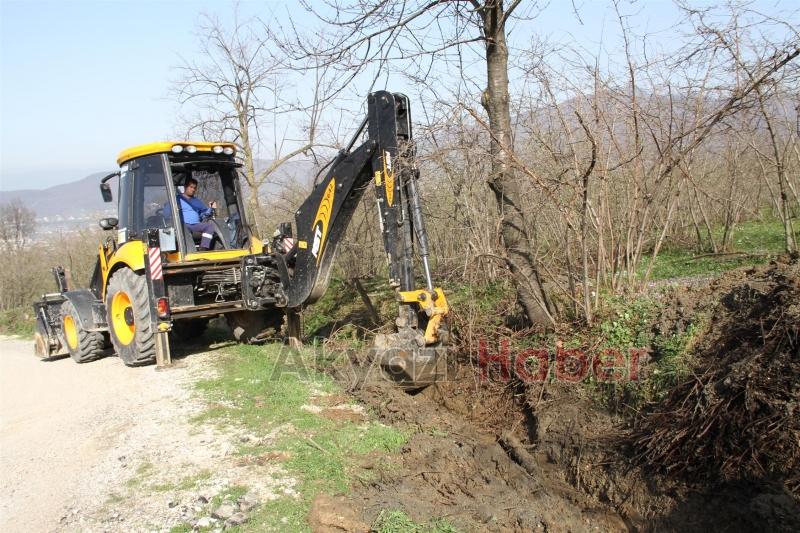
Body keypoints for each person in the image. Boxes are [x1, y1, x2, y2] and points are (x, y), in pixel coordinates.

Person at [178, 177, 218, 251]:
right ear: (185, 187)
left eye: (195, 188)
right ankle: (188, 250)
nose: (193, 190)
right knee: (184, 230)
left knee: (210, 227)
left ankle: (203, 248)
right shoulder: (177, 199)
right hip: (183, 225)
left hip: (196, 225)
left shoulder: (197, 201)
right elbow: (168, 212)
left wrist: (211, 208)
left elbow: (204, 214)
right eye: (191, 187)